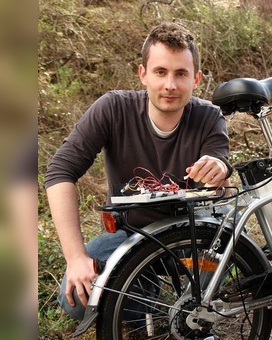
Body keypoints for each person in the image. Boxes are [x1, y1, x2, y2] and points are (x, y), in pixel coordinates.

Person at [44, 22, 234, 321]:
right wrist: (76, 257)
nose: (170, 85)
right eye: (160, 72)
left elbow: (219, 163)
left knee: (211, 281)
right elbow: (60, 172)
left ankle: (189, 307)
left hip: (193, 238)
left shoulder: (209, 116)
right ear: (143, 73)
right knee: (78, 300)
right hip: (130, 233)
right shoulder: (113, 109)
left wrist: (218, 168)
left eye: (181, 73)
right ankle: (145, 300)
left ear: (196, 78)